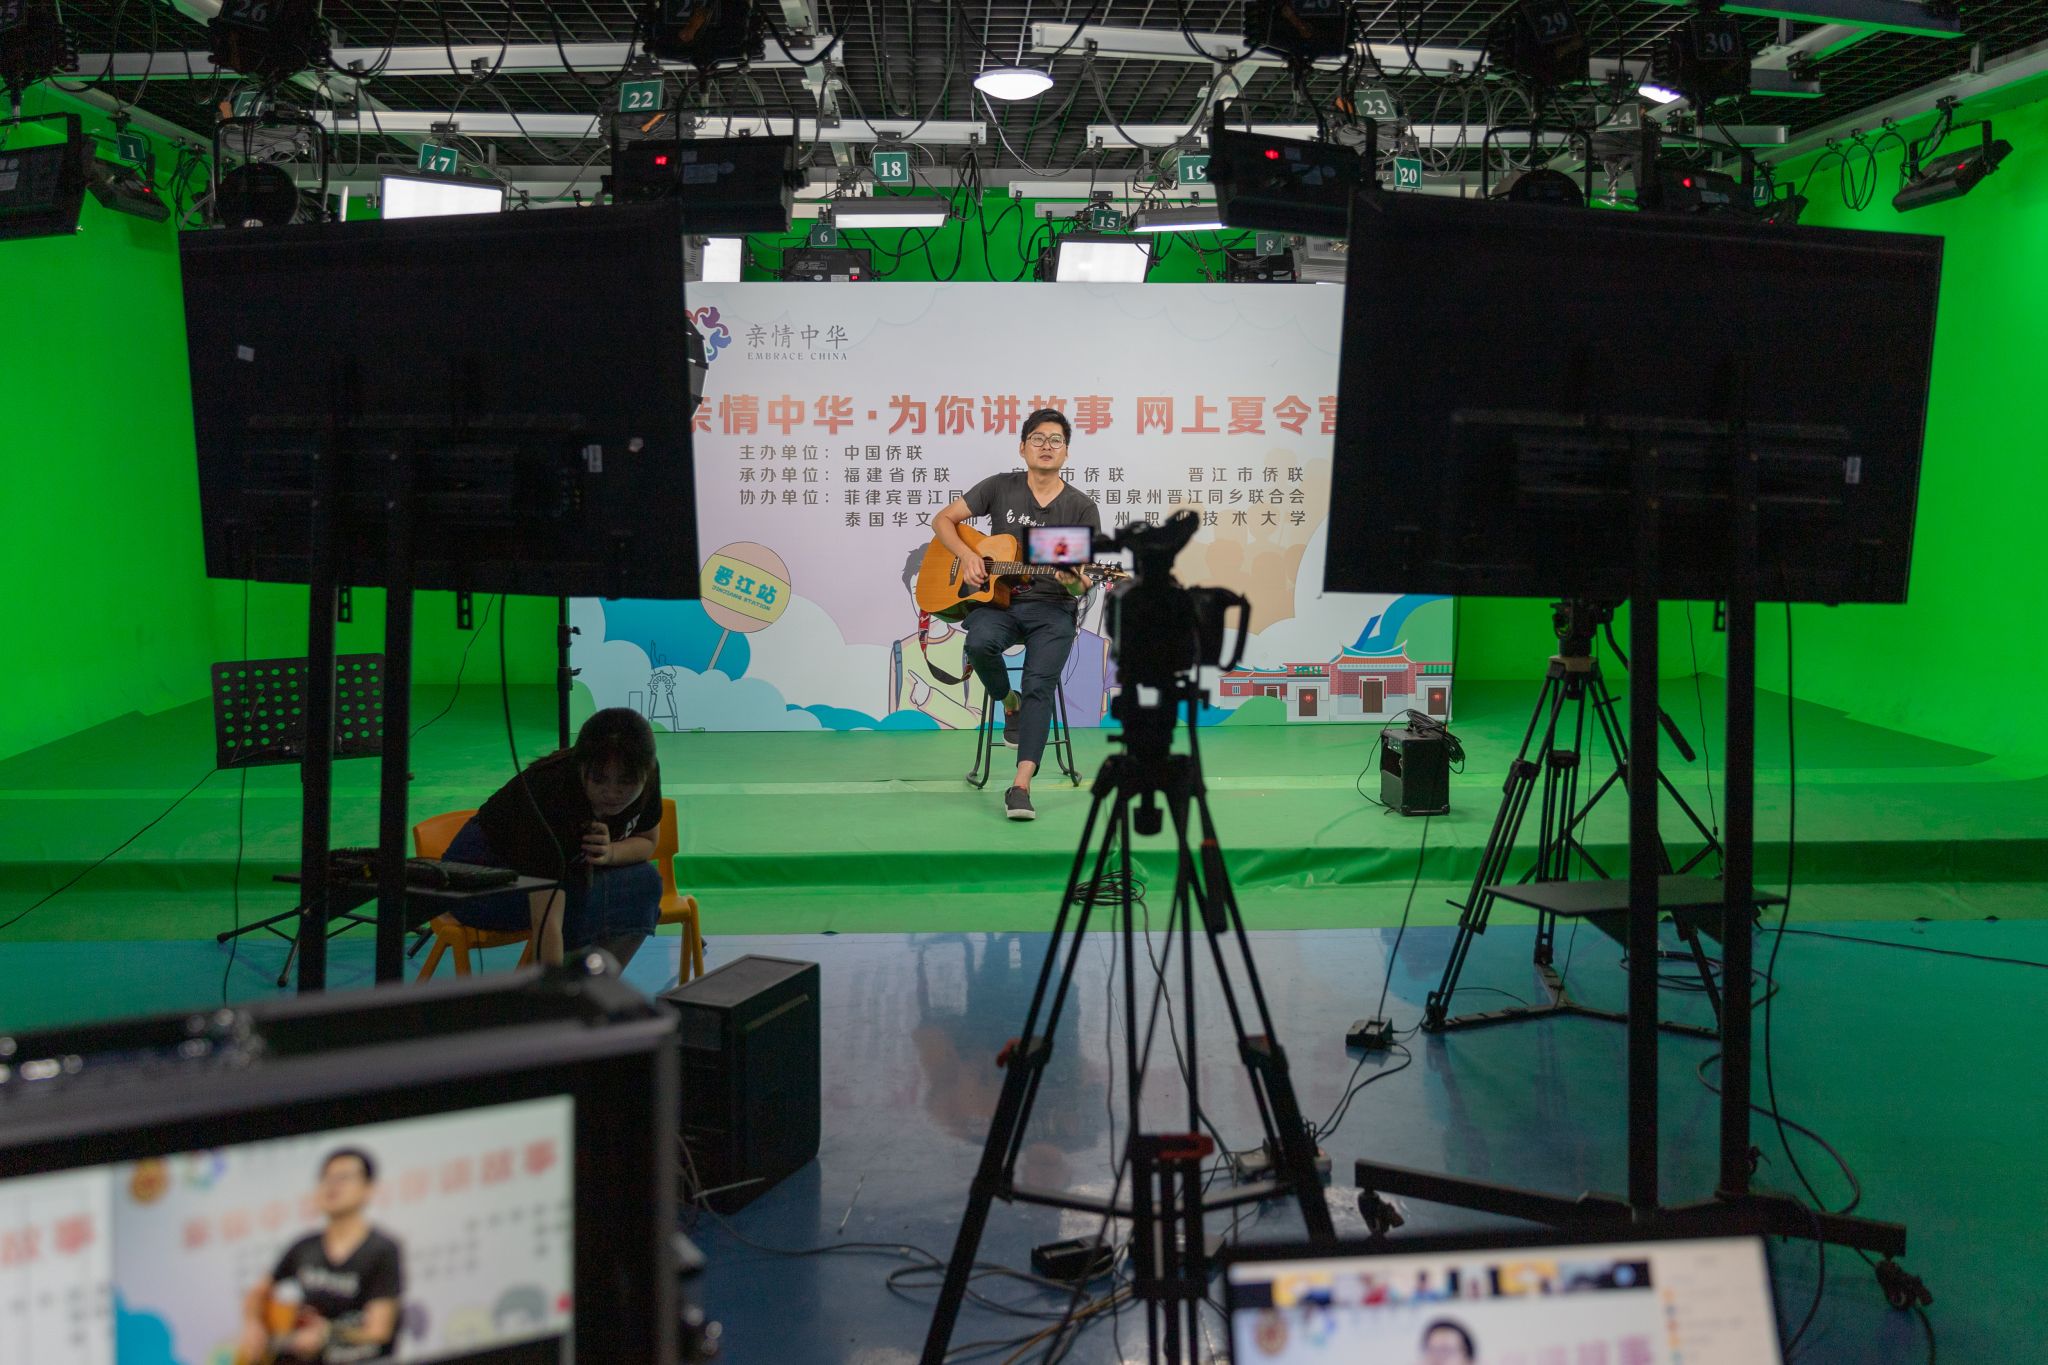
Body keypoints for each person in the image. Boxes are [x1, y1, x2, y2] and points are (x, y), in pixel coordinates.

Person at [931, 408, 1101, 821]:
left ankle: (1021, 785)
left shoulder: (1080, 507)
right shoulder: (999, 487)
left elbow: (1081, 584)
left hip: (1053, 610)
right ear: (1023, 447)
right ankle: (1010, 701)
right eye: (1038, 439)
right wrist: (968, 555)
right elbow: (943, 520)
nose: (1047, 446)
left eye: (1056, 440)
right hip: (999, 603)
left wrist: (1074, 582)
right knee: (978, 644)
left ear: (1067, 452)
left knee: (1039, 682)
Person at [445, 707, 664, 967]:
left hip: (559, 881)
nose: (612, 792)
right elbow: (546, 921)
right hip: (477, 886)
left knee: (646, 884)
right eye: (599, 780)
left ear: (646, 771)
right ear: (580, 766)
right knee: (581, 895)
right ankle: (561, 989)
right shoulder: (550, 798)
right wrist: (553, 987)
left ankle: (592, 987)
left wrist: (610, 853)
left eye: (626, 782)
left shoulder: (647, 773)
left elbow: (647, 841)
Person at [236, 1148, 403, 1364]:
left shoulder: (382, 1249)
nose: (333, 1186)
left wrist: (327, 1334)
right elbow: (259, 1292)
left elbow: (379, 1331)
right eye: (327, 1178)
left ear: (368, 1188)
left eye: (344, 1178)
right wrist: (253, 1324)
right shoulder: (304, 1246)